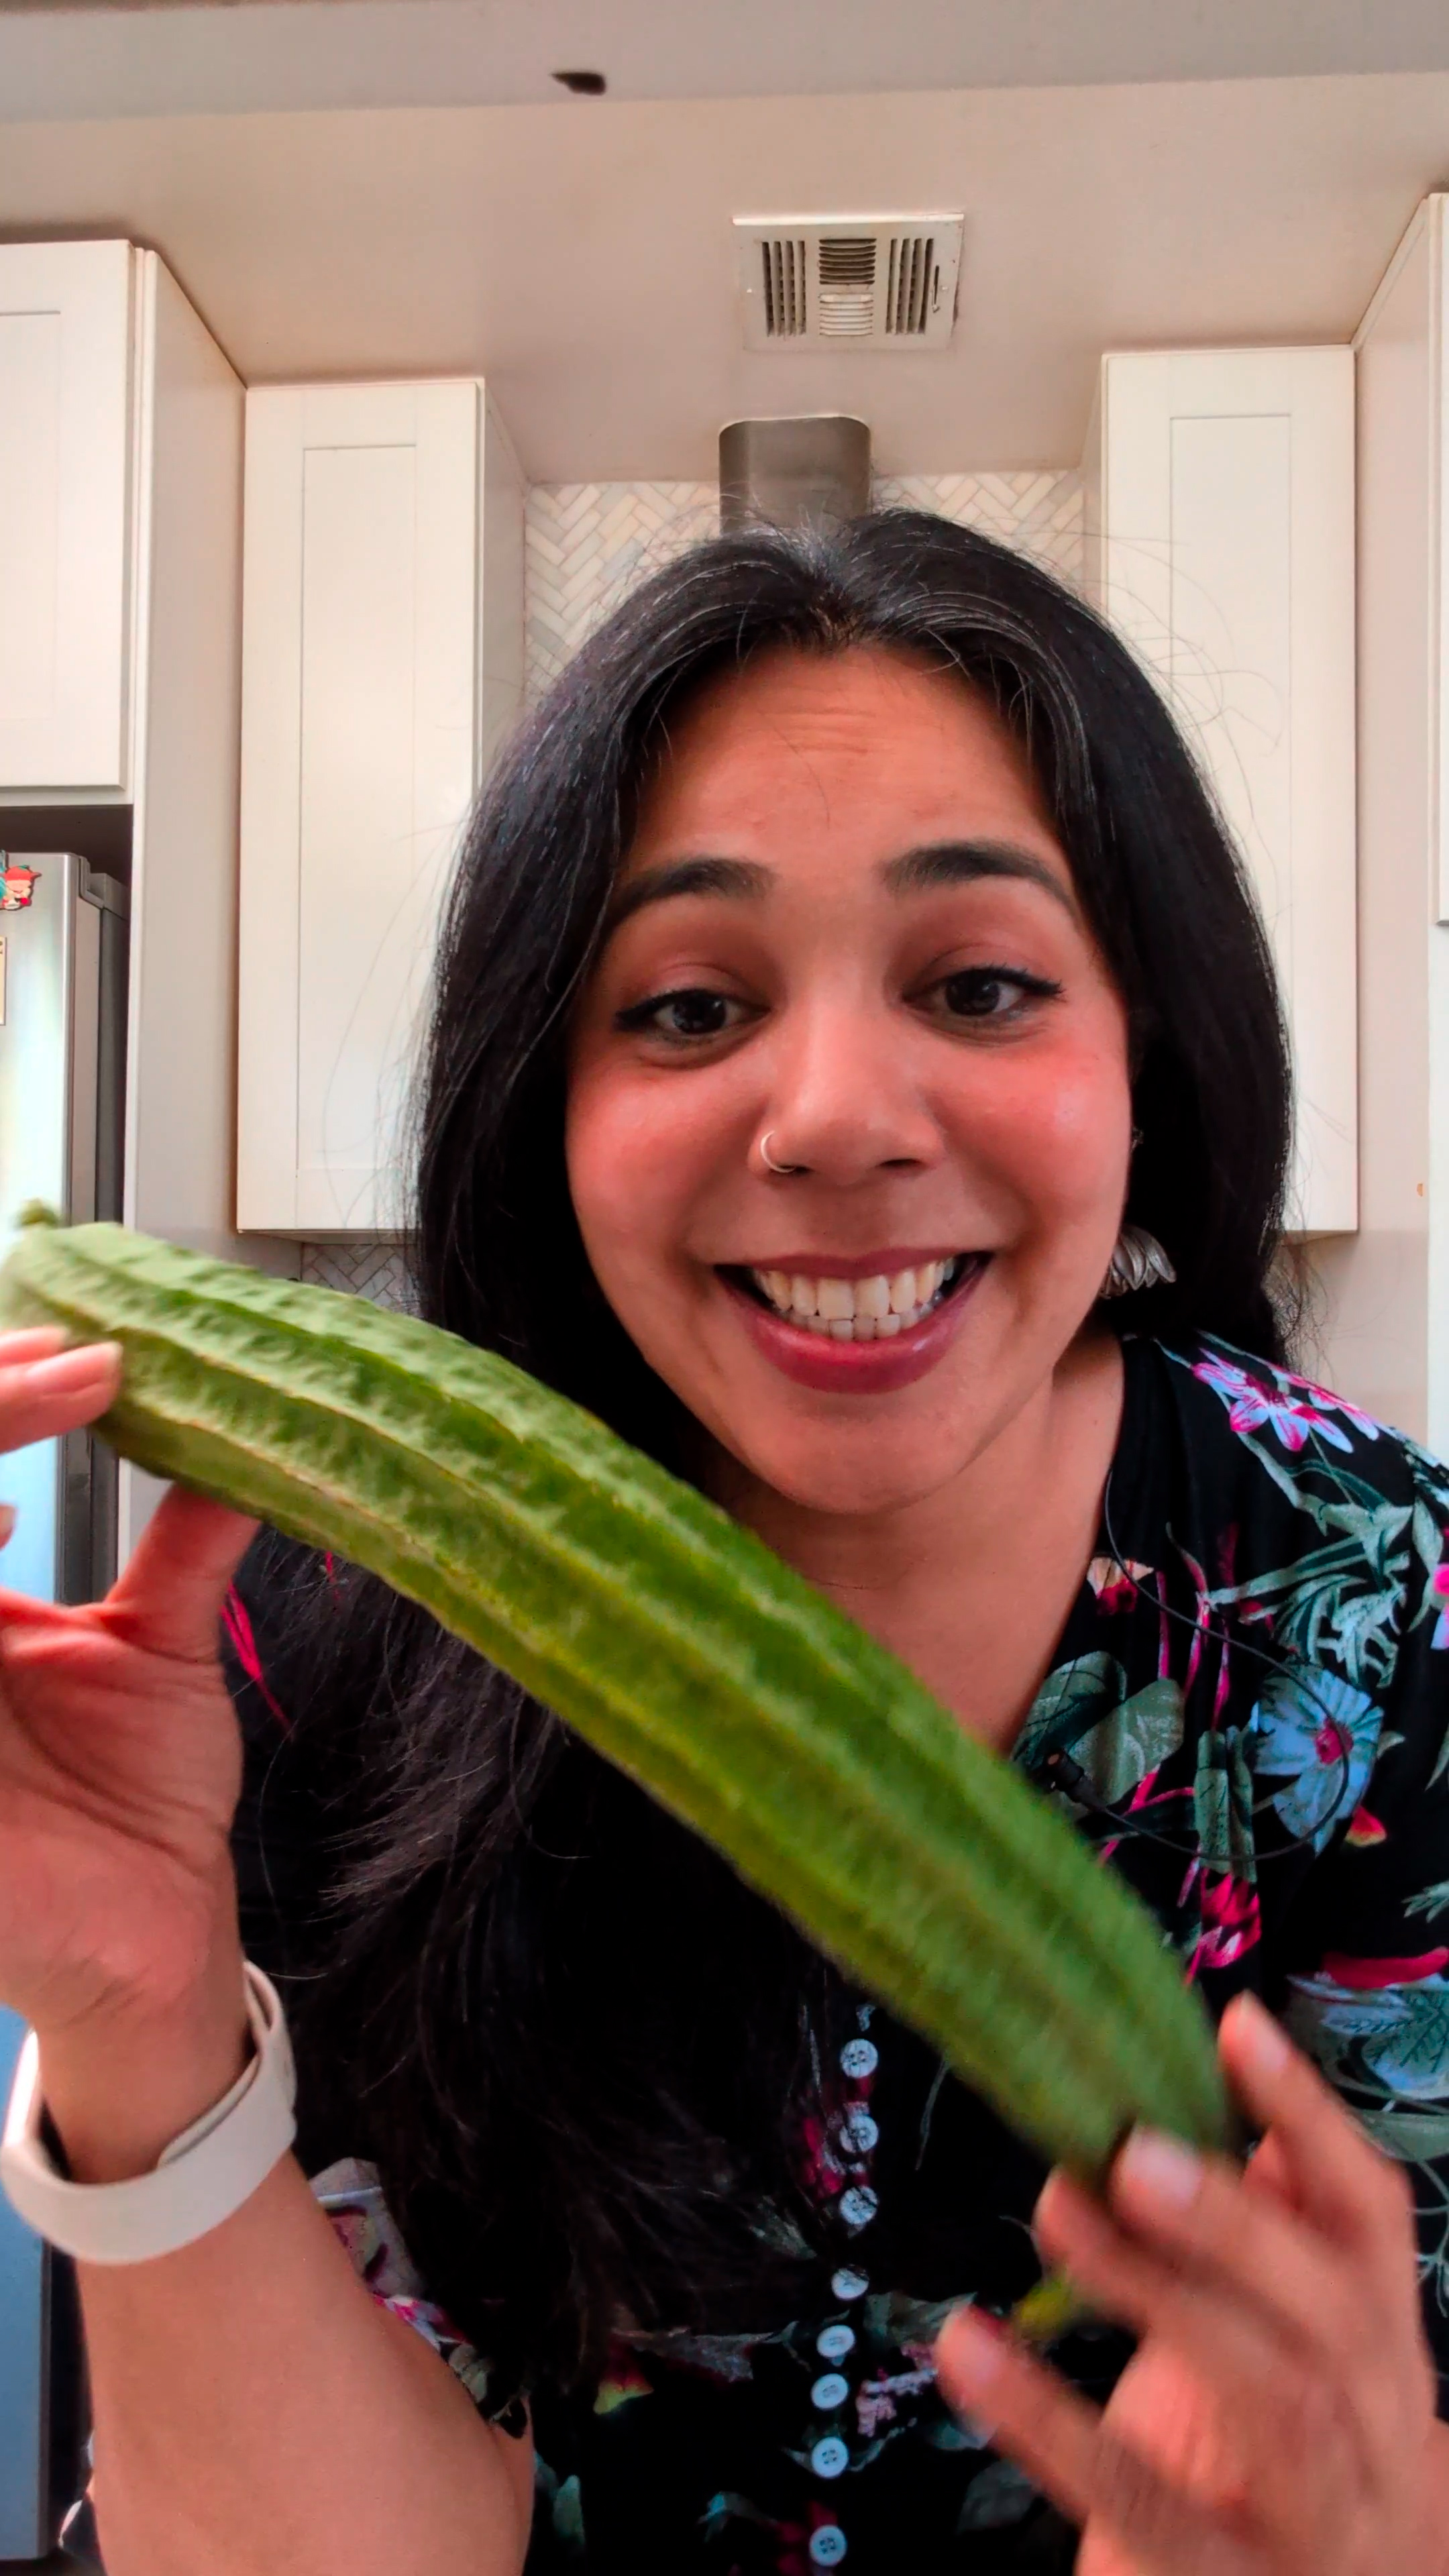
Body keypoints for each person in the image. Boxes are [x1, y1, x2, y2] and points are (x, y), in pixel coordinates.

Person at [1, 513, 1448, 2576]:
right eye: (688, 1007)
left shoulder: (1390, 1616)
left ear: (1151, 1050)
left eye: (980, 981)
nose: (835, 1116)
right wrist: (136, 2031)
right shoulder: (327, 1630)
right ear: (545, 1107)